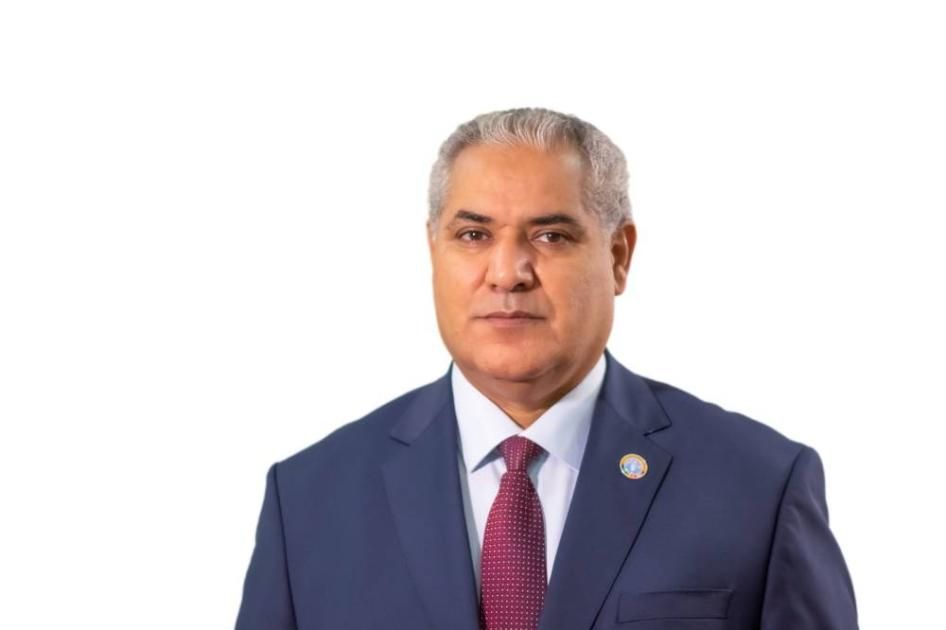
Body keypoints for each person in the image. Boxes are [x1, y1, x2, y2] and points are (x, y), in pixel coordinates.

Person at [234, 107, 858, 629]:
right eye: (473, 235)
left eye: (551, 236)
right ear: (433, 250)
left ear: (618, 256)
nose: (507, 273)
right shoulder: (309, 499)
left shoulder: (759, 486)